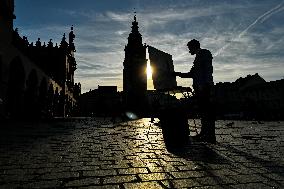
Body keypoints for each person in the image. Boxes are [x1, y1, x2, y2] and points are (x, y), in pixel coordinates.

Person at [173, 39, 216, 143]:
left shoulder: (204, 53)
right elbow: (191, 74)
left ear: (193, 46)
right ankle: (205, 134)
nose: (189, 51)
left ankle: (209, 136)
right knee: (203, 111)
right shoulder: (198, 57)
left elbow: (208, 70)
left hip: (204, 87)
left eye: (189, 48)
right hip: (201, 87)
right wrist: (177, 74)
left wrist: (204, 85)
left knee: (206, 112)